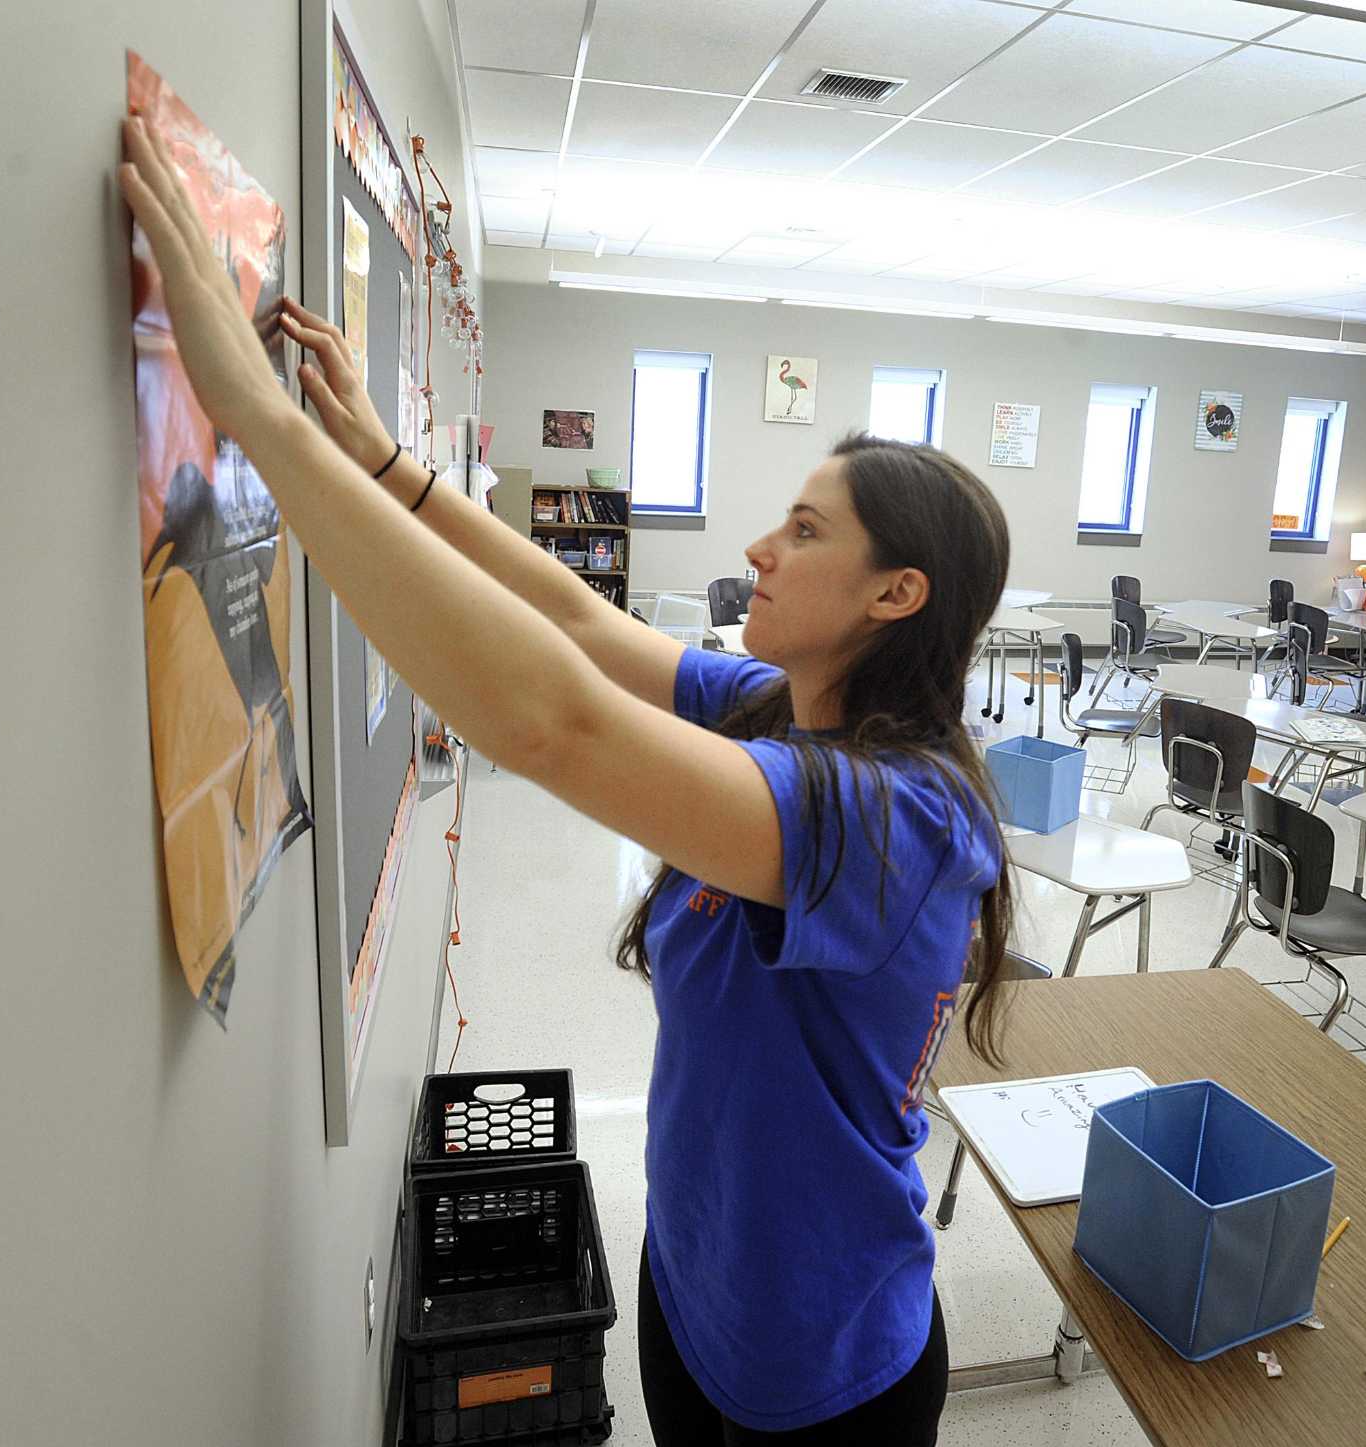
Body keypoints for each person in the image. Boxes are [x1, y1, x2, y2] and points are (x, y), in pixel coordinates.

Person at [120, 117, 1017, 1444]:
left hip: (821, 1364)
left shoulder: (902, 821)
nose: (761, 549)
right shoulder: (773, 705)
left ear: (896, 592)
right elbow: (581, 631)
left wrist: (254, 417)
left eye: (807, 531)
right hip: (692, 1287)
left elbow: (556, 725)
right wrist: (377, 459)